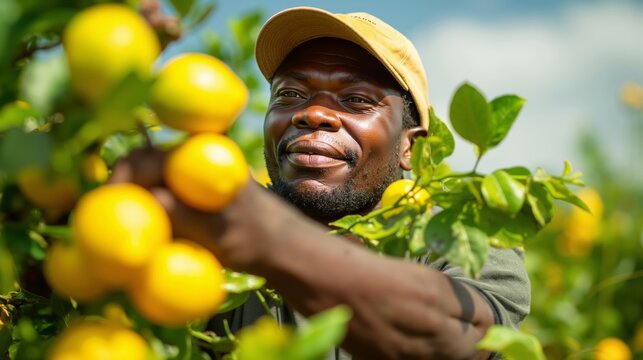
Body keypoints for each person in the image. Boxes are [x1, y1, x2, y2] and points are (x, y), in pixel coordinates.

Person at [113, 6, 530, 360]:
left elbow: (462, 335)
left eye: (356, 100)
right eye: (290, 94)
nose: (312, 114)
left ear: (410, 147)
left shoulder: (463, 234)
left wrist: (266, 237)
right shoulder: (212, 236)